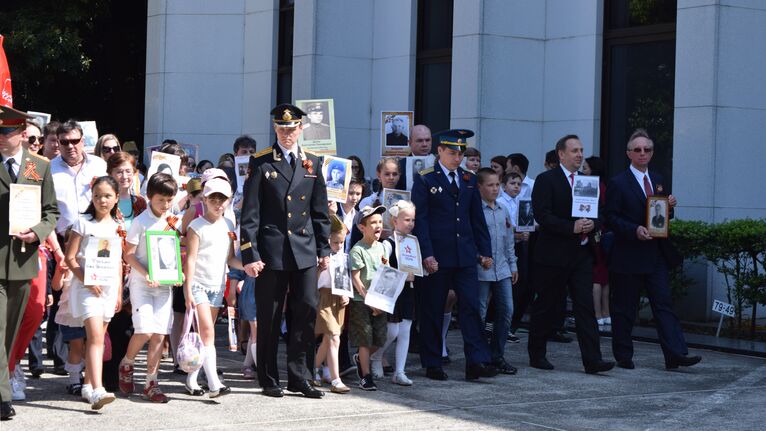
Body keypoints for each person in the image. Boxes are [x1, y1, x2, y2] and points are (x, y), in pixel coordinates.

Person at [239, 103, 330, 399]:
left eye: (291, 129)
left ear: (300, 129)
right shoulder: (263, 161)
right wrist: (251, 255)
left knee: (305, 311)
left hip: (303, 249)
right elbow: (250, 215)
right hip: (272, 250)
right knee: (270, 315)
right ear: (275, 129)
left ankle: (300, 377)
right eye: (281, 129)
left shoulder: (313, 163)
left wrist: (324, 249)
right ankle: (267, 376)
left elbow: (319, 213)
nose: (287, 134)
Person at [605, 129, 701, 370]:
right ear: (628, 154)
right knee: (625, 307)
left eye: (646, 149)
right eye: (637, 150)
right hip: (628, 253)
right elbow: (611, 217)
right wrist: (634, 229)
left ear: (652, 152)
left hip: (655, 253)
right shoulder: (618, 183)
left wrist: (670, 207)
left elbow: (661, 215)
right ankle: (624, 355)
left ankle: (676, 354)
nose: (642, 153)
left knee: (664, 304)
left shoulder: (658, 179)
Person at [411, 128, 498, 381]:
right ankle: (432, 361)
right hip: (437, 257)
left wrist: (484, 251)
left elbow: (476, 219)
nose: (457, 158)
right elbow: (421, 221)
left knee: (471, 307)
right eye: (452, 153)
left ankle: (476, 361)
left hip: (464, 256)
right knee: (433, 309)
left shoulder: (469, 180)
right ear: (440, 151)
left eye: (460, 153)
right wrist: (426, 254)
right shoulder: (426, 179)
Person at [526, 134, 613, 374]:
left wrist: (592, 224)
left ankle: (593, 359)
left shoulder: (588, 181)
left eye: (581, 150)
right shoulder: (547, 180)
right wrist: (570, 227)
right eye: (574, 150)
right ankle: (537, 353)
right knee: (547, 305)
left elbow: (600, 212)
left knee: (585, 306)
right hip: (553, 255)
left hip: (581, 255)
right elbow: (542, 215)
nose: (579, 155)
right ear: (561, 154)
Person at [0, 104, 59, 421]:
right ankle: (3, 397)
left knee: (10, 332)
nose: (0, 137)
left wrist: (36, 233)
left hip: (23, 260)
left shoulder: (39, 166)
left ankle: (4, 380)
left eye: (5, 132)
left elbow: (51, 211)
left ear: (21, 134)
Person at [119, 173, 179, 403]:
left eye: (169, 200)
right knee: (144, 330)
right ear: (150, 197)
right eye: (160, 200)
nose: (165, 205)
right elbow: (129, 254)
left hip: (163, 286)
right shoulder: (140, 222)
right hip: (141, 284)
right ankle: (127, 363)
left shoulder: (172, 220)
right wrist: (146, 274)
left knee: (159, 333)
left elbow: (172, 252)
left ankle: (151, 383)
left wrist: (177, 271)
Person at [64, 176, 122, 410]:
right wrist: (86, 280)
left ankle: (88, 385)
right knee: (96, 338)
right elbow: (70, 258)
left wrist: (118, 291)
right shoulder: (83, 222)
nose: (102, 200)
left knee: (97, 340)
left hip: (108, 289)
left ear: (116, 197)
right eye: (97, 196)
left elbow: (117, 260)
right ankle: (98, 390)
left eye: (107, 195)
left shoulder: (118, 226)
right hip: (86, 288)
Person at [183, 177, 243, 398]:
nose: (218, 204)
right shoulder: (195, 226)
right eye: (213, 199)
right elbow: (189, 260)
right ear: (205, 200)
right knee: (208, 333)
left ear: (228, 201)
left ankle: (191, 379)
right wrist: (188, 290)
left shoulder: (229, 225)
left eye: (222, 200)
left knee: (203, 336)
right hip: (198, 285)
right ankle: (214, 383)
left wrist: (247, 266)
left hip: (217, 286)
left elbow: (230, 259)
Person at [475, 168, 519, 374]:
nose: (495, 189)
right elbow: (470, 240)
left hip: (502, 268)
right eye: (490, 185)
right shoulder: (474, 211)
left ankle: (497, 355)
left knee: (507, 310)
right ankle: (479, 356)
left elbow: (509, 241)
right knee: (480, 313)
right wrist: (479, 257)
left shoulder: (503, 210)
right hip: (481, 269)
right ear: (480, 187)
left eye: (497, 185)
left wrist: (513, 265)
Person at [370, 201, 417, 386]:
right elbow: (382, 269)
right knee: (392, 330)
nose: (410, 223)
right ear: (395, 221)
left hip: (408, 292)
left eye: (413, 220)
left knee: (405, 330)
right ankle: (376, 356)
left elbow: (416, 266)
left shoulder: (413, 242)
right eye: (406, 219)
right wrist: (402, 277)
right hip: (392, 292)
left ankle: (399, 371)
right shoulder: (388, 244)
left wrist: (426, 269)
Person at [349, 205, 388, 391]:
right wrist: (368, 299)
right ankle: (365, 376)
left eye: (380, 221)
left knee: (380, 338)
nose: (378, 225)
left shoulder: (382, 247)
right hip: (361, 301)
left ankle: (359, 358)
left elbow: (385, 272)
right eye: (373, 222)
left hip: (379, 301)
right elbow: (355, 278)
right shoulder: (357, 250)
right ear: (362, 227)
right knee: (365, 339)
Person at [312, 215, 352, 394]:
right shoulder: (321, 257)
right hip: (324, 298)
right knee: (333, 337)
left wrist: (346, 294)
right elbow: (314, 283)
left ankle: (313, 368)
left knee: (330, 338)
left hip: (338, 299)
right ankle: (336, 379)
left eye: (342, 242)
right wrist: (320, 269)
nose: (339, 246)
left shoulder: (342, 257)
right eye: (335, 242)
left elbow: (344, 279)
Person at [51, 120, 108, 238]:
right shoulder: (49, 169)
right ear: (58, 143)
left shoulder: (99, 165)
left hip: (96, 236)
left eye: (74, 141)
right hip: (62, 240)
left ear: (82, 141)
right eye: (64, 142)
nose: (70, 146)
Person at [582, 156, 610, 328]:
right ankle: (606, 313)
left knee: (595, 278)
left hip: (593, 235)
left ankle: (597, 314)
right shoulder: (604, 186)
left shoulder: (591, 186)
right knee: (605, 277)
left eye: (585, 168)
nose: (583, 171)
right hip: (604, 234)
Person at [394, 124, 434, 190]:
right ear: (410, 143)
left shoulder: (439, 163)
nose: (424, 144)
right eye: (420, 140)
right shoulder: (400, 166)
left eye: (427, 140)